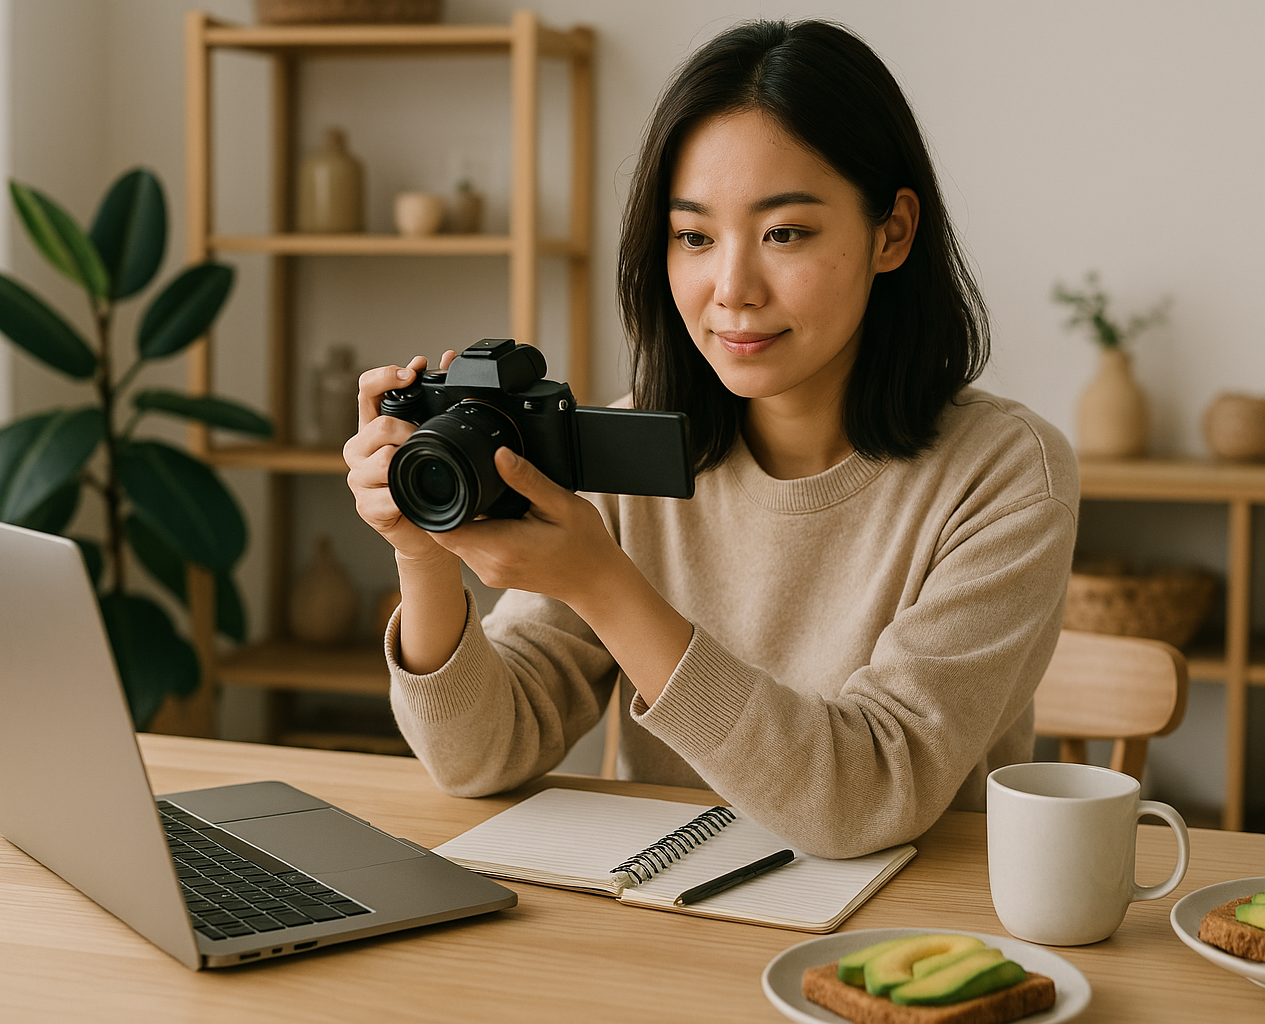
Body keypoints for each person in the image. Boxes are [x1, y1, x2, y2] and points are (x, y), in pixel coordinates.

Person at [345, 19, 1078, 859]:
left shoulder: (1005, 473)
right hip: (664, 927)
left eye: (785, 233)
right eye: (694, 237)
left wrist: (604, 585)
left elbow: (870, 794)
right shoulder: (627, 451)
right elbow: (478, 757)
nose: (731, 290)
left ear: (892, 233)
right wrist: (424, 552)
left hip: (905, 944)